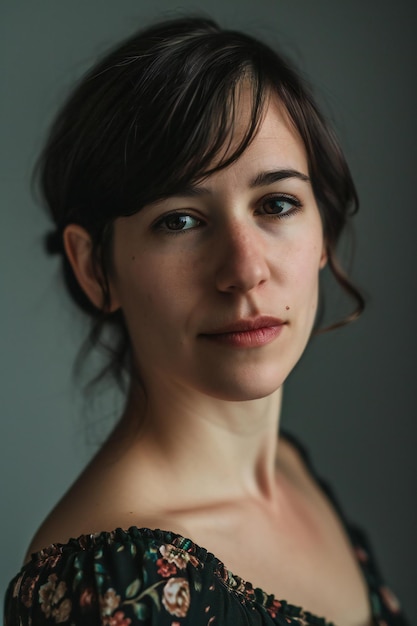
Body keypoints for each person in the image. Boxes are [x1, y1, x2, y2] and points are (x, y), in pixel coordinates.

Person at [4, 15, 409, 626]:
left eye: (277, 204)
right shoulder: (108, 589)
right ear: (94, 269)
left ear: (322, 231)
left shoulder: (290, 469)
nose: (245, 270)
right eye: (180, 220)